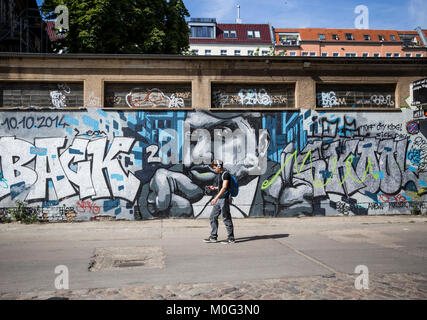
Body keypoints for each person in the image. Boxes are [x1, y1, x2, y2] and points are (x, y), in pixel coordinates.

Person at [203, 159, 235, 244]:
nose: (214, 170)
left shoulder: (226, 174)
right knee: (213, 217)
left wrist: (215, 198)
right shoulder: (221, 174)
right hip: (219, 198)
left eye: (214, 168)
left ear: (219, 166)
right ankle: (213, 237)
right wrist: (214, 188)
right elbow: (221, 187)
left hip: (224, 198)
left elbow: (224, 188)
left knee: (226, 217)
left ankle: (231, 238)